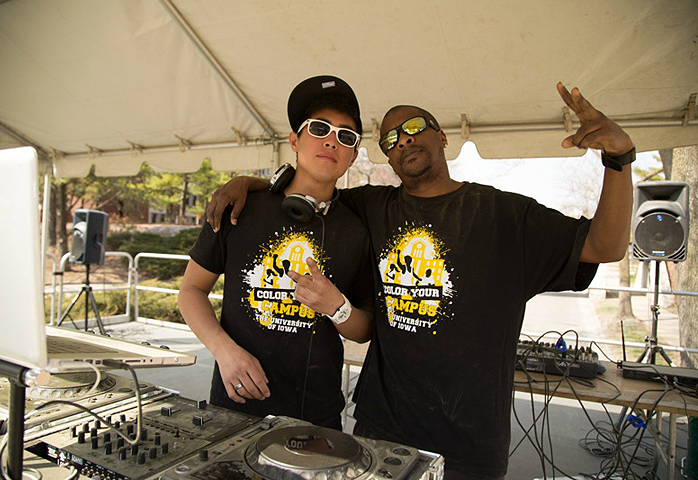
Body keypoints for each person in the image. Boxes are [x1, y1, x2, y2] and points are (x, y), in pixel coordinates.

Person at [205, 82, 634, 478]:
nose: (404, 139)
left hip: (470, 441)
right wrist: (250, 185)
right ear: (387, 157)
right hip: (381, 429)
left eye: (413, 127)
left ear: (442, 136)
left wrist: (618, 157)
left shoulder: (504, 215)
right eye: (391, 138)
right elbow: (310, 188)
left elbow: (606, 245)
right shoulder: (371, 207)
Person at [178, 75, 375, 431]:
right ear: (295, 140)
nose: (332, 141)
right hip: (235, 404)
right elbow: (191, 291)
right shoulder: (237, 206)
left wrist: (336, 306)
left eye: (346, 136)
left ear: (353, 155)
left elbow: (363, 329)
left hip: (316, 414)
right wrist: (224, 350)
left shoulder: (357, 230)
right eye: (319, 128)